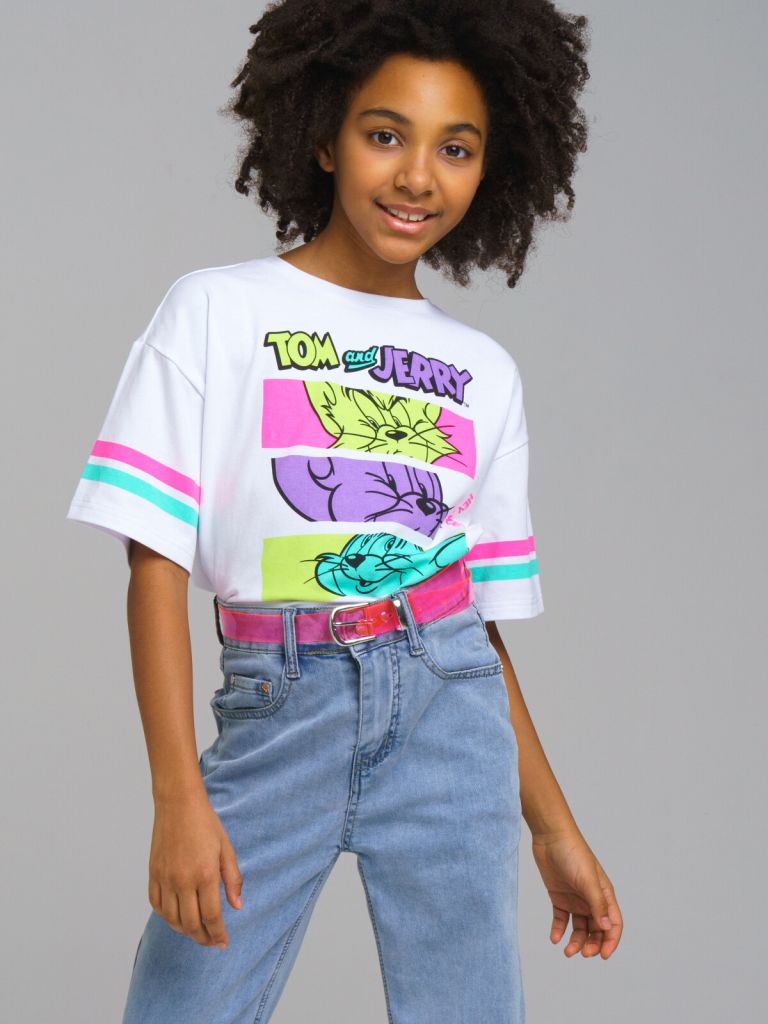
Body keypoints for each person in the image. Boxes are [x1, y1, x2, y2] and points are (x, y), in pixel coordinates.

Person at [65, 2, 623, 1020]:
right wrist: (177, 797)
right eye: (385, 134)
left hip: (449, 713)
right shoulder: (217, 310)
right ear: (324, 137)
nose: (418, 176)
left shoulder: (485, 374)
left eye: (456, 148)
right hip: (281, 698)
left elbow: (476, 625)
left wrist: (553, 827)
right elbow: (154, 565)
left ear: (488, 169)